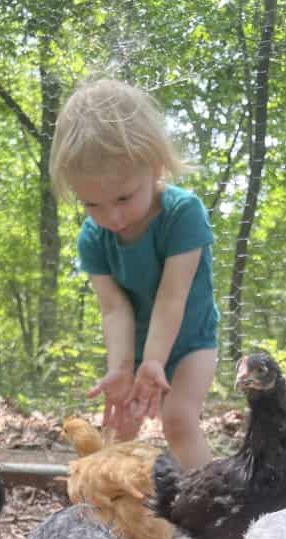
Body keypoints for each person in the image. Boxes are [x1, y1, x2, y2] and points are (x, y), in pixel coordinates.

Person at [50, 78, 219, 468]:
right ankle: (107, 501)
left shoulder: (183, 215)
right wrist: (122, 369)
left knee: (178, 422)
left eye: (124, 197)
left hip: (191, 342)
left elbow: (172, 296)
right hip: (136, 349)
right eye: (92, 204)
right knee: (118, 428)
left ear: (155, 167)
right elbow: (114, 309)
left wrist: (155, 361)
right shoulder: (93, 238)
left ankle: (213, 500)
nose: (112, 217)